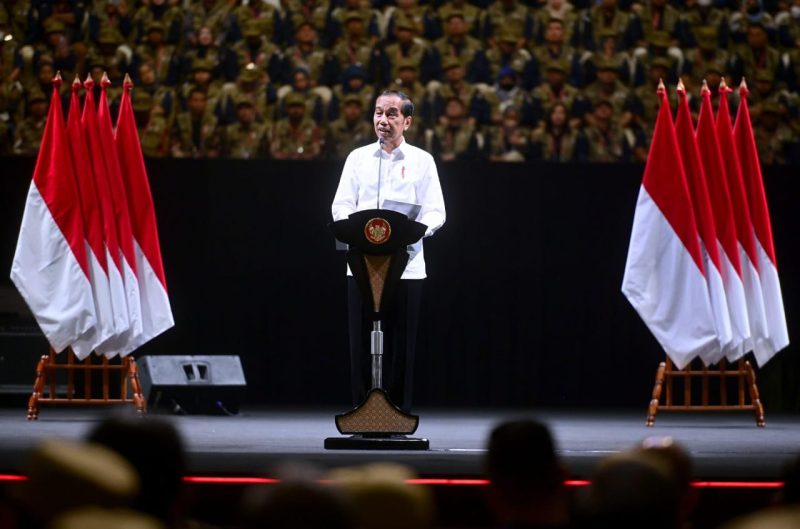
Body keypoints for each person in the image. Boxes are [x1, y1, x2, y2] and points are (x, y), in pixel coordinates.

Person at [331, 90, 446, 412]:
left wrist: (418, 231)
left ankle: (398, 414)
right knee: (360, 343)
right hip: (362, 264)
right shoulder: (357, 158)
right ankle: (361, 412)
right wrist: (351, 229)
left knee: (401, 346)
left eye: (392, 114)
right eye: (379, 113)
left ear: (407, 121)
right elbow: (341, 205)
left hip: (405, 265)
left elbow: (436, 211)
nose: (383, 120)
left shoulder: (423, 161)